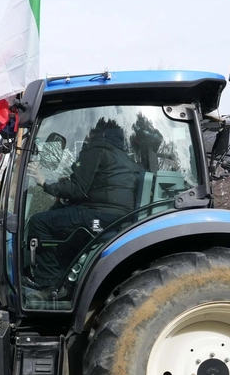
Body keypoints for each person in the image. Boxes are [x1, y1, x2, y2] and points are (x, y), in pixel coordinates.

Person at [25, 118, 143, 288]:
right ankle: (62, 276)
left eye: (89, 132)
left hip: (100, 215)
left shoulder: (95, 150)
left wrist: (44, 182)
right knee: (61, 216)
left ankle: (47, 283)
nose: (87, 136)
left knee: (39, 222)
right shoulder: (122, 156)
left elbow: (77, 189)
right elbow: (101, 187)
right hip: (116, 216)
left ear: (94, 132)